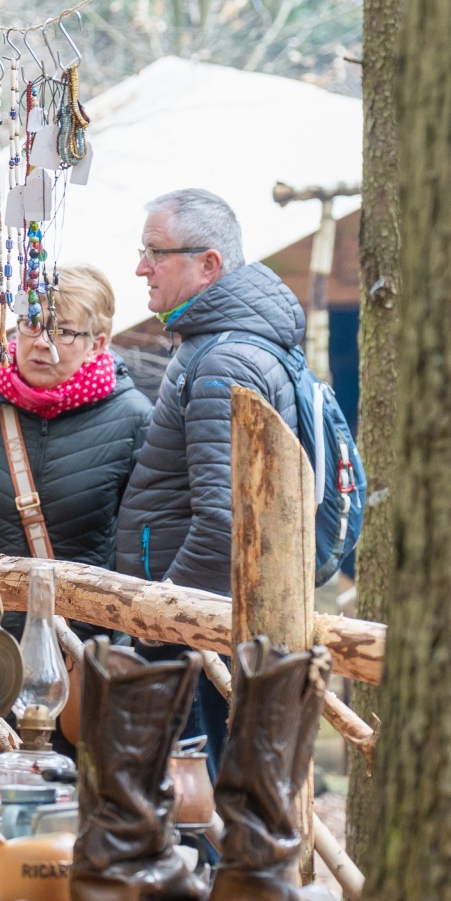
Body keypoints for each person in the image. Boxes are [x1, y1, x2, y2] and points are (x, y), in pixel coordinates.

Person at [0, 264, 151, 760]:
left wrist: (116, 646)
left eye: (63, 331)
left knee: (60, 823)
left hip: (74, 671)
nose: (42, 343)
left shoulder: (133, 422)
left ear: (99, 342)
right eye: (30, 324)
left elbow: (139, 550)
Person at [114, 189, 304, 764]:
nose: (141, 267)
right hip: (208, 622)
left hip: (197, 630)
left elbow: (223, 522)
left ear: (209, 265)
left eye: (155, 252)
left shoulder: (221, 359)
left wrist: (163, 620)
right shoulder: (225, 346)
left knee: (194, 805)